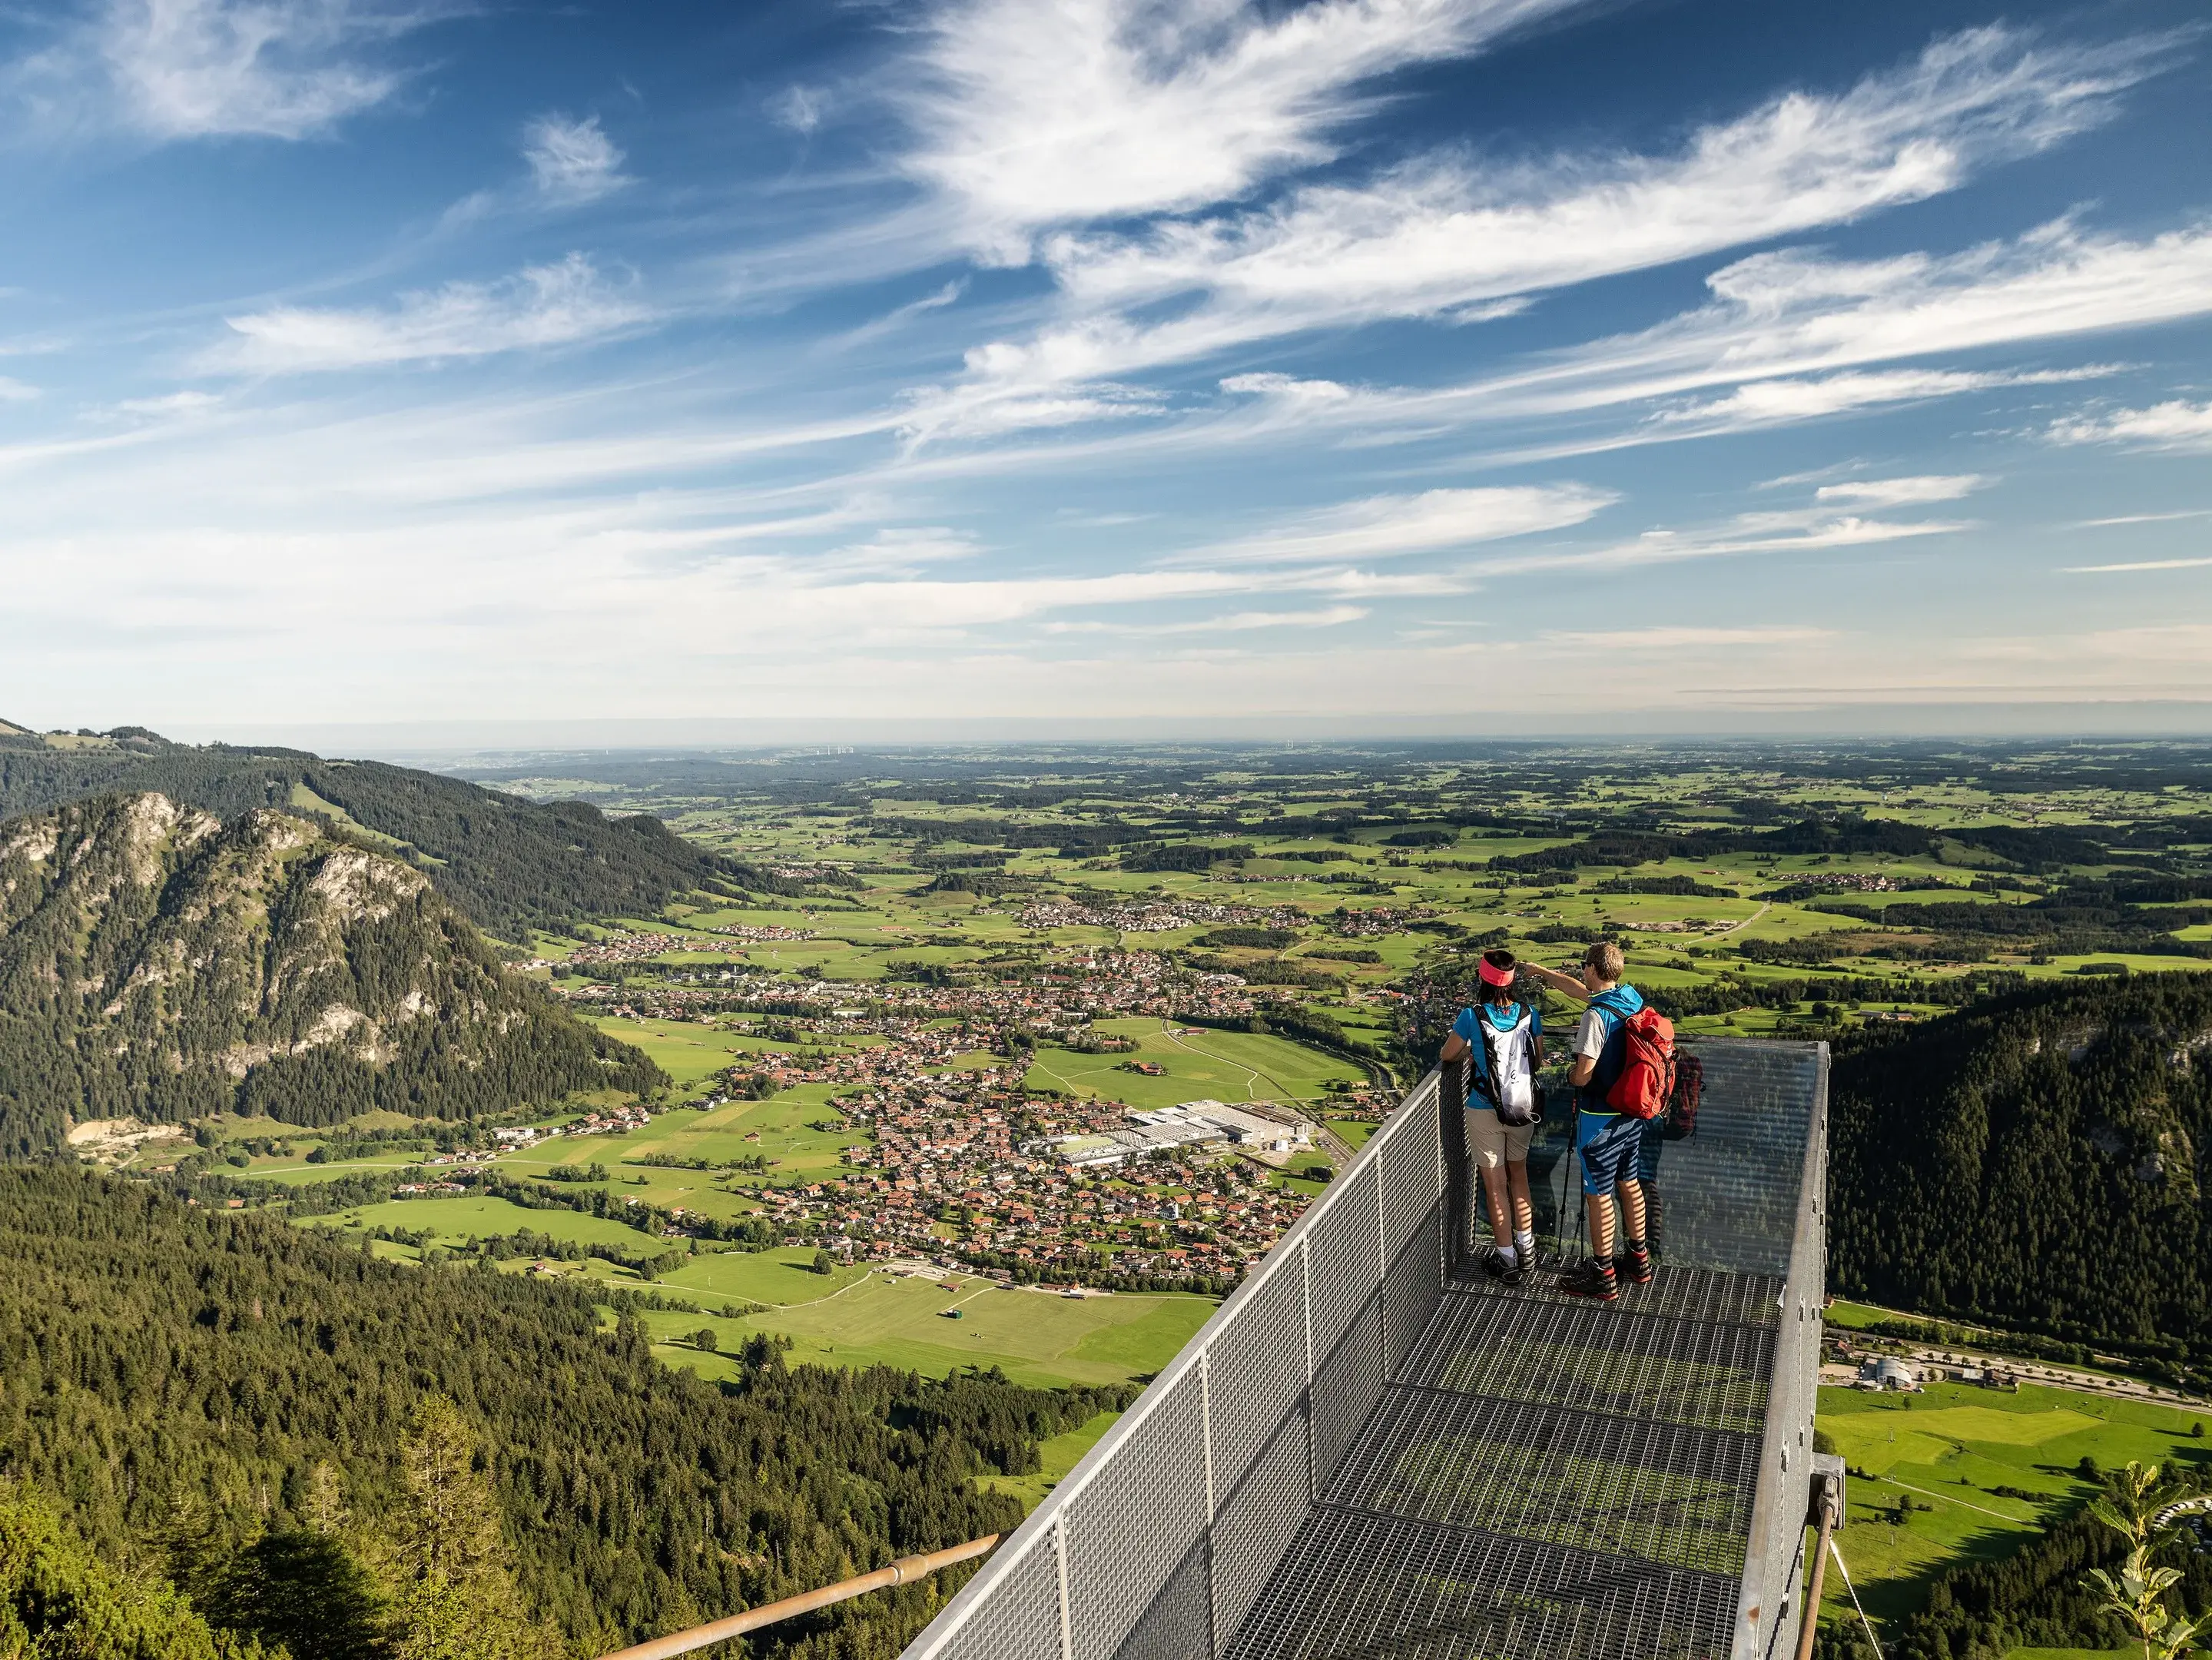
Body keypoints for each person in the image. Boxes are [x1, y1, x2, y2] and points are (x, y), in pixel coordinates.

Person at [1518, 941, 1650, 1302]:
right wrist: (1544, 974)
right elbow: (1586, 994)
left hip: (1600, 1120)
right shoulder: (1629, 998)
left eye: (1583, 967)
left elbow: (1584, 1073)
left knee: (1598, 1195)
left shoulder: (1595, 1018)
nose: (1581, 972)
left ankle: (1603, 1274)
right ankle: (1639, 1261)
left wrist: (1570, 1078)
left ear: (1592, 968)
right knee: (1630, 1183)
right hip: (1631, 1111)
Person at [1438, 948, 1543, 1285]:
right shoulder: (1530, 1013)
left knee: (1495, 1186)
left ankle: (1507, 1259)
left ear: (1483, 977)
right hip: (1523, 1108)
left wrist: (1473, 1049)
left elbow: (1448, 1054)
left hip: (1484, 1108)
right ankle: (1527, 1249)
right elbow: (1536, 1059)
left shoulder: (1472, 1016)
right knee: (1520, 1178)